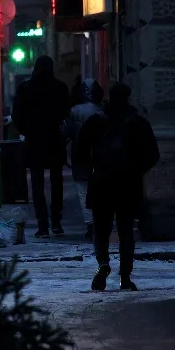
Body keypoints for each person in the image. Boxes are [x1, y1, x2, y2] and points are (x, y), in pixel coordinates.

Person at [76, 82, 159, 291]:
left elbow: (80, 149)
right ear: (128, 98)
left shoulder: (97, 121)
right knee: (126, 231)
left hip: (101, 182)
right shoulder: (137, 122)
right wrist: (136, 169)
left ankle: (103, 264)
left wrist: (89, 169)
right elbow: (153, 154)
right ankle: (125, 276)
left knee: (101, 230)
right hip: (128, 184)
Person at [11, 55, 71, 238]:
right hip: (55, 141)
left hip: (35, 141)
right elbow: (66, 113)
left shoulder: (26, 88)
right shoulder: (60, 88)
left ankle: (42, 225)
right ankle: (56, 222)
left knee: (37, 184)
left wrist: (27, 131)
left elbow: (16, 116)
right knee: (56, 181)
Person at [64, 79, 105, 239]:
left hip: (80, 152)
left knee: (83, 189)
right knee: (100, 189)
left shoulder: (74, 110)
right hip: (100, 153)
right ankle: (100, 220)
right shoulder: (103, 110)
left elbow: (67, 131)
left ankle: (90, 223)